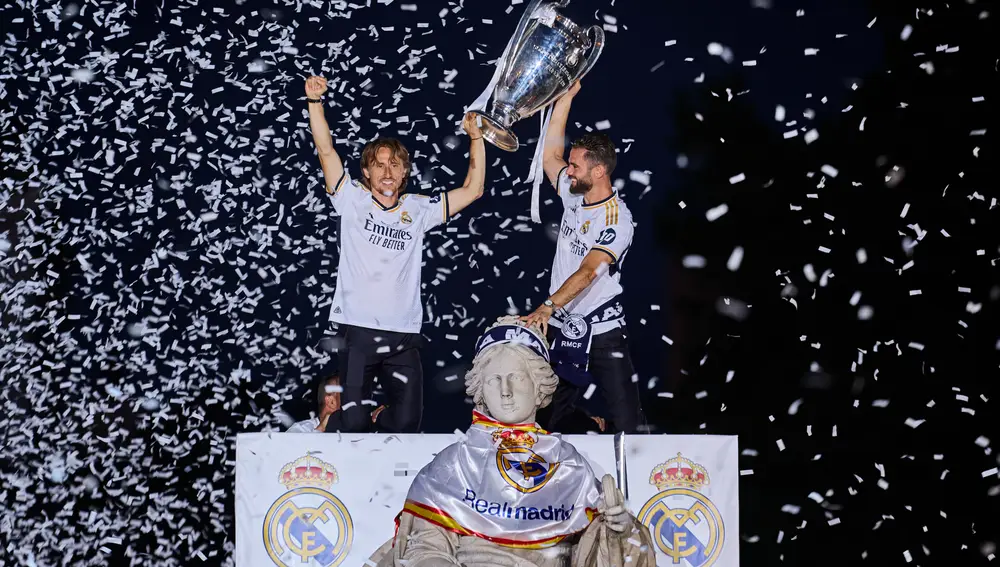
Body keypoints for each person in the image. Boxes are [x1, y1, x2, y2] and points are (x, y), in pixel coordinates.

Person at [367, 316, 654, 567]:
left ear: (539, 385)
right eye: (494, 380)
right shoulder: (454, 463)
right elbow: (424, 548)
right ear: (481, 389)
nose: (505, 391)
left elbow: (597, 553)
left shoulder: (568, 463)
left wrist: (619, 532)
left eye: (516, 377)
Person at [304, 75, 487, 433]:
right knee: (353, 422)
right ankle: (330, 423)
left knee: (406, 421)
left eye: (395, 165)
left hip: (403, 334)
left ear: (404, 172)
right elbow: (326, 151)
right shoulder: (351, 199)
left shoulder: (418, 209)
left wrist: (477, 138)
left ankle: (379, 419)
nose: (387, 172)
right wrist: (315, 103)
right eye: (379, 165)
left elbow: (473, 190)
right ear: (367, 171)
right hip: (358, 330)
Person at [522, 80, 643, 434]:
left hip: (603, 328)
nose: (568, 171)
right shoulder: (574, 194)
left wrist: (547, 306)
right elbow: (549, 156)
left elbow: (589, 272)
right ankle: (585, 430)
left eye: (576, 167)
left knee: (629, 425)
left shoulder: (618, 220)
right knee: (546, 421)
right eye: (571, 166)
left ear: (599, 171)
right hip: (563, 326)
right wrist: (565, 98)